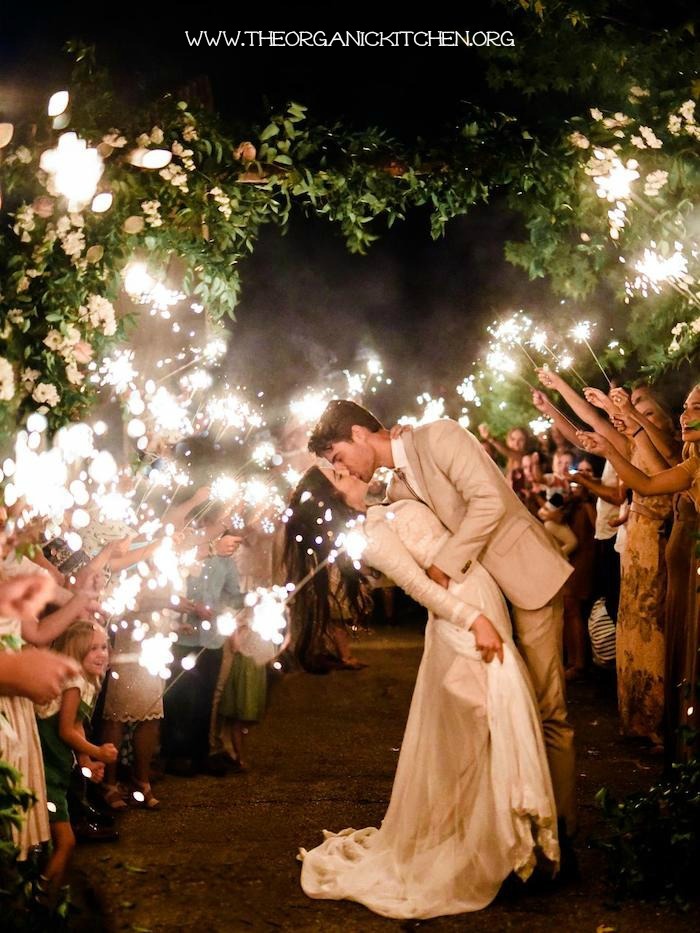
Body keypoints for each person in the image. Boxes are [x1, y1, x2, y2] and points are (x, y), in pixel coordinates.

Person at [292, 465, 558, 919]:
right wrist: (472, 620)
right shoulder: (372, 533)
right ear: (333, 496)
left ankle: (495, 846)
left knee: (489, 730)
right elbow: (418, 588)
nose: (342, 468)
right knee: (485, 727)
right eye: (334, 472)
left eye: (336, 461)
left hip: (477, 598)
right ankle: (491, 850)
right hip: (463, 616)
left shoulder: (382, 507)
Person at [308, 400, 577, 839]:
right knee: (506, 710)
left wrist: (443, 565)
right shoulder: (395, 478)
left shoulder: (441, 436)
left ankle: (559, 838)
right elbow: (389, 512)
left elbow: (488, 502)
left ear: (359, 433)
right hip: (485, 598)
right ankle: (515, 832)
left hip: (526, 578)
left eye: (338, 457)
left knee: (547, 712)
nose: (346, 468)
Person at [579, 383, 700, 762]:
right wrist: (607, 450)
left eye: (696, 407)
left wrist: (626, 418)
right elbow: (645, 484)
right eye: (683, 405)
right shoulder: (693, 462)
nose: (685, 414)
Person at [35, 621, 116, 905]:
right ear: (76, 650)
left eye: (104, 647)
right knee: (65, 842)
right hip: (44, 771)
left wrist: (87, 761)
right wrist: (98, 751)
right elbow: (65, 731)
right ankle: (39, 899)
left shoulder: (86, 683)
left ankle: (47, 898)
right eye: (92, 648)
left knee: (58, 841)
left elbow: (76, 725)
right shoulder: (74, 684)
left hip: (56, 770)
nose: (101, 654)